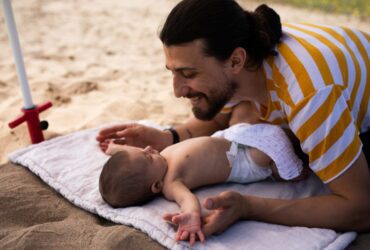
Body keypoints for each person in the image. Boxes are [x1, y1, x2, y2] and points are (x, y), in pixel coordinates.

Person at [97, 0, 370, 236]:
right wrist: (169, 137)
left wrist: (248, 207)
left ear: (236, 61)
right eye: (173, 72)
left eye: (188, 74)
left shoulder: (308, 95)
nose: (177, 90)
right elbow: (218, 118)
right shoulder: (246, 63)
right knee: (245, 118)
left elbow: (360, 209)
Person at [99, 123, 306, 246]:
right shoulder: (171, 183)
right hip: (244, 161)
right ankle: (294, 171)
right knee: (275, 147)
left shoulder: (155, 162)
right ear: (155, 186)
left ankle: (295, 146)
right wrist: (190, 217)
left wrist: (114, 150)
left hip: (228, 140)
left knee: (278, 133)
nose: (148, 149)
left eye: (144, 151)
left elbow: (133, 159)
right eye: (148, 158)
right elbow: (187, 200)